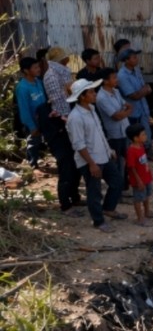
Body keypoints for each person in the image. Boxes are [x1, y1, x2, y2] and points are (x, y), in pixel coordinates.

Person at [66, 79, 124, 232]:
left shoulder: (91, 109)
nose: (95, 94)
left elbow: (99, 132)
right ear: (82, 96)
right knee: (94, 191)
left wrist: (109, 150)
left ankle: (108, 208)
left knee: (117, 181)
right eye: (91, 92)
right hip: (91, 160)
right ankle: (98, 221)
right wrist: (91, 164)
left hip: (103, 155)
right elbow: (79, 144)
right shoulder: (75, 117)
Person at [42, 46, 83, 212]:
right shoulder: (59, 72)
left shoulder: (52, 72)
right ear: (62, 59)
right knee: (67, 164)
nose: (68, 60)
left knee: (73, 162)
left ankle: (73, 197)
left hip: (63, 121)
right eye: (66, 57)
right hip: (63, 123)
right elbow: (70, 93)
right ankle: (66, 203)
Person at [95, 68, 132, 174]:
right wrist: (125, 112)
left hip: (125, 130)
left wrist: (123, 113)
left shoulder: (116, 91)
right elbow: (116, 116)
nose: (117, 80)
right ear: (106, 81)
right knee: (117, 162)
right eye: (114, 78)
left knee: (127, 160)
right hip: (114, 135)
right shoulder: (101, 97)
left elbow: (129, 106)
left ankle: (125, 181)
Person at [16, 57, 47, 169]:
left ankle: (39, 159)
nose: (39, 69)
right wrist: (32, 126)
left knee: (41, 140)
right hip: (32, 121)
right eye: (35, 67)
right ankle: (32, 164)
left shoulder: (38, 82)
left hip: (43, 118)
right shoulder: (22, 88)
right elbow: (24, 109)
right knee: (33, 142)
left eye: (38, 66)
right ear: (26, 70)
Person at [117, 48, 153, 144]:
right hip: (133, 113)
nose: (137, 59)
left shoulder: (136, 70)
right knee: (136, 139)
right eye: (134, 58)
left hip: (143, 109)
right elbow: (134, 96)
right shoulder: (122, 76)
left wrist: (143, 91)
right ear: (126, 60)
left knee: (146, 135)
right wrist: (144, 90)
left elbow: (145, 88)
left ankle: (147, 149)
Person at [125, 124, 153, 225]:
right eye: (143, 134)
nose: (145, 136)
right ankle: (140, 218)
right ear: (136, 138)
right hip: (139, 180)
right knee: (138, 198)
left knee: (146, 195)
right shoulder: (131, 151)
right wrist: (138, 180)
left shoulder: (141, 146)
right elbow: (131, 167)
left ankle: (147, 212)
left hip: (146, 177)